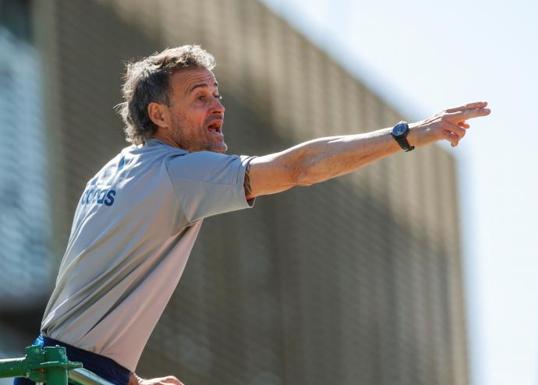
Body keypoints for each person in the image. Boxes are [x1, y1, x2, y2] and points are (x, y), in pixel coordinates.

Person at [15, 45, 490, 385]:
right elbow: (297, 169)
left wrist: (127, 379)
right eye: (199, 97)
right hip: (72, 374)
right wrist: (408, 134)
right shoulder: (178, 173)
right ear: (159, 115)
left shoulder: (113, 172)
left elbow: (94, 293)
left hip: (56, 367)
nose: (217, 105)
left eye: (215, 94)